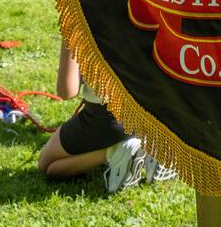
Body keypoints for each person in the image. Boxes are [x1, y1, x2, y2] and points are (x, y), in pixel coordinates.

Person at [38, 43, 176, 190]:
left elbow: (67, 92)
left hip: (107, 119)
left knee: (47, 166)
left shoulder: (78, 21)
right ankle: (150, 142)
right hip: (153, 110)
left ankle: (116, 152)